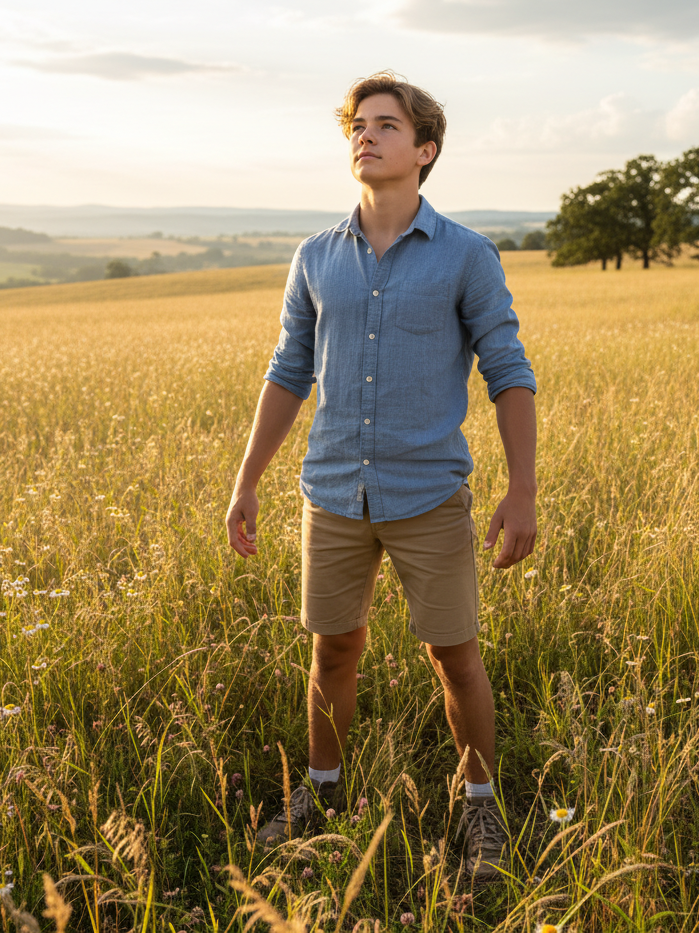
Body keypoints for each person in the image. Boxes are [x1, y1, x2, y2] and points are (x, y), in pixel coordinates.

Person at [225, 71, 537, 880]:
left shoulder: (467, 255)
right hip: (330, 493)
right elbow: (288, 370)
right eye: (358, 125)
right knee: (333, 651)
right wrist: (247, 478)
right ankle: (322, 792)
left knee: (453, 656)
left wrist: (522, 489)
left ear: (424, 150)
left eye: (386, 125)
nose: (366, 134)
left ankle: (479, 807)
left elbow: (508, 370)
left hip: (430, 494)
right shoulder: (316, 256)